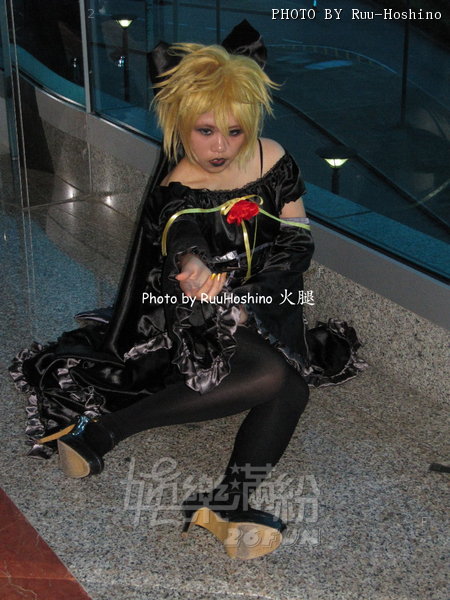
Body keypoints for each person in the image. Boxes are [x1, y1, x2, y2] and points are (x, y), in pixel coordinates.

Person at [9, 43, 361, 560]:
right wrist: (196, 264)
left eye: (234, 131)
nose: (221, 146)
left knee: (292, 388)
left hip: (271, 300)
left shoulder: (273, 157)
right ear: (180, 125)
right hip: (197, 313)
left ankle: (223, 501)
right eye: (205, 131)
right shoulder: (178, 185)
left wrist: (245, 281)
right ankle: (110, 434)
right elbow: (182, 239)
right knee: (275, 378)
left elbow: (298, 240)